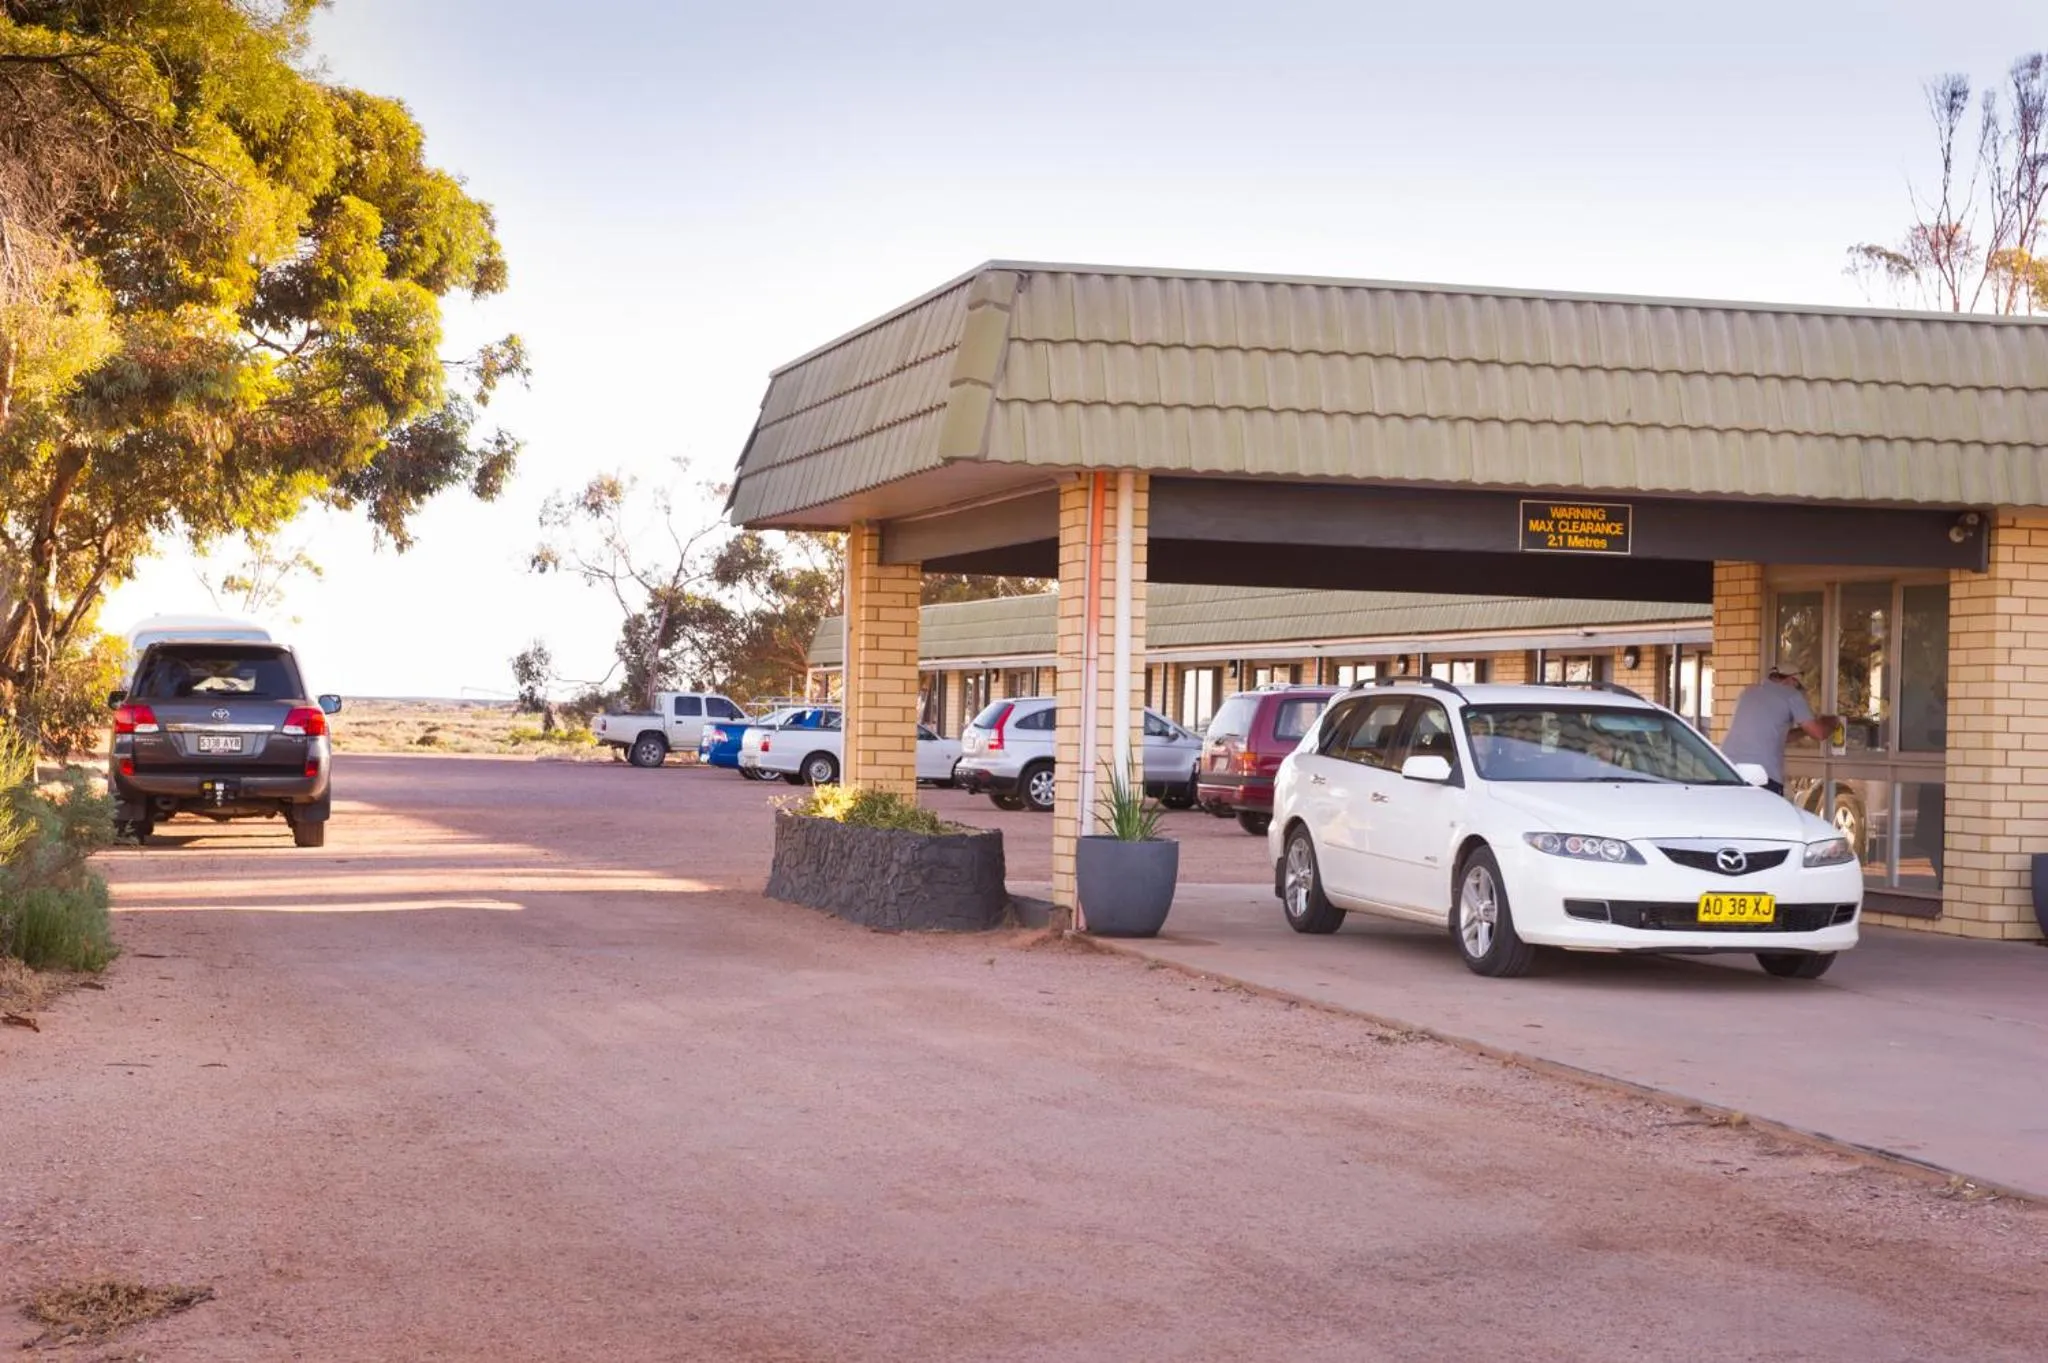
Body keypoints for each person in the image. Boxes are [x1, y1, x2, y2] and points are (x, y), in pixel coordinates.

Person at [1721, 666, 1836, 796]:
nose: (1799, 691)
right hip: (1762, 777)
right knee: (1768, 816)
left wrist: (1805, 730)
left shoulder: (1747, 692)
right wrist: (1832, 722)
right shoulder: (1790, 694)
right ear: (1792, 680)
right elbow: (1819, 733)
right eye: (1798, 686)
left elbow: (1779, 735)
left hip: (1727, 771)